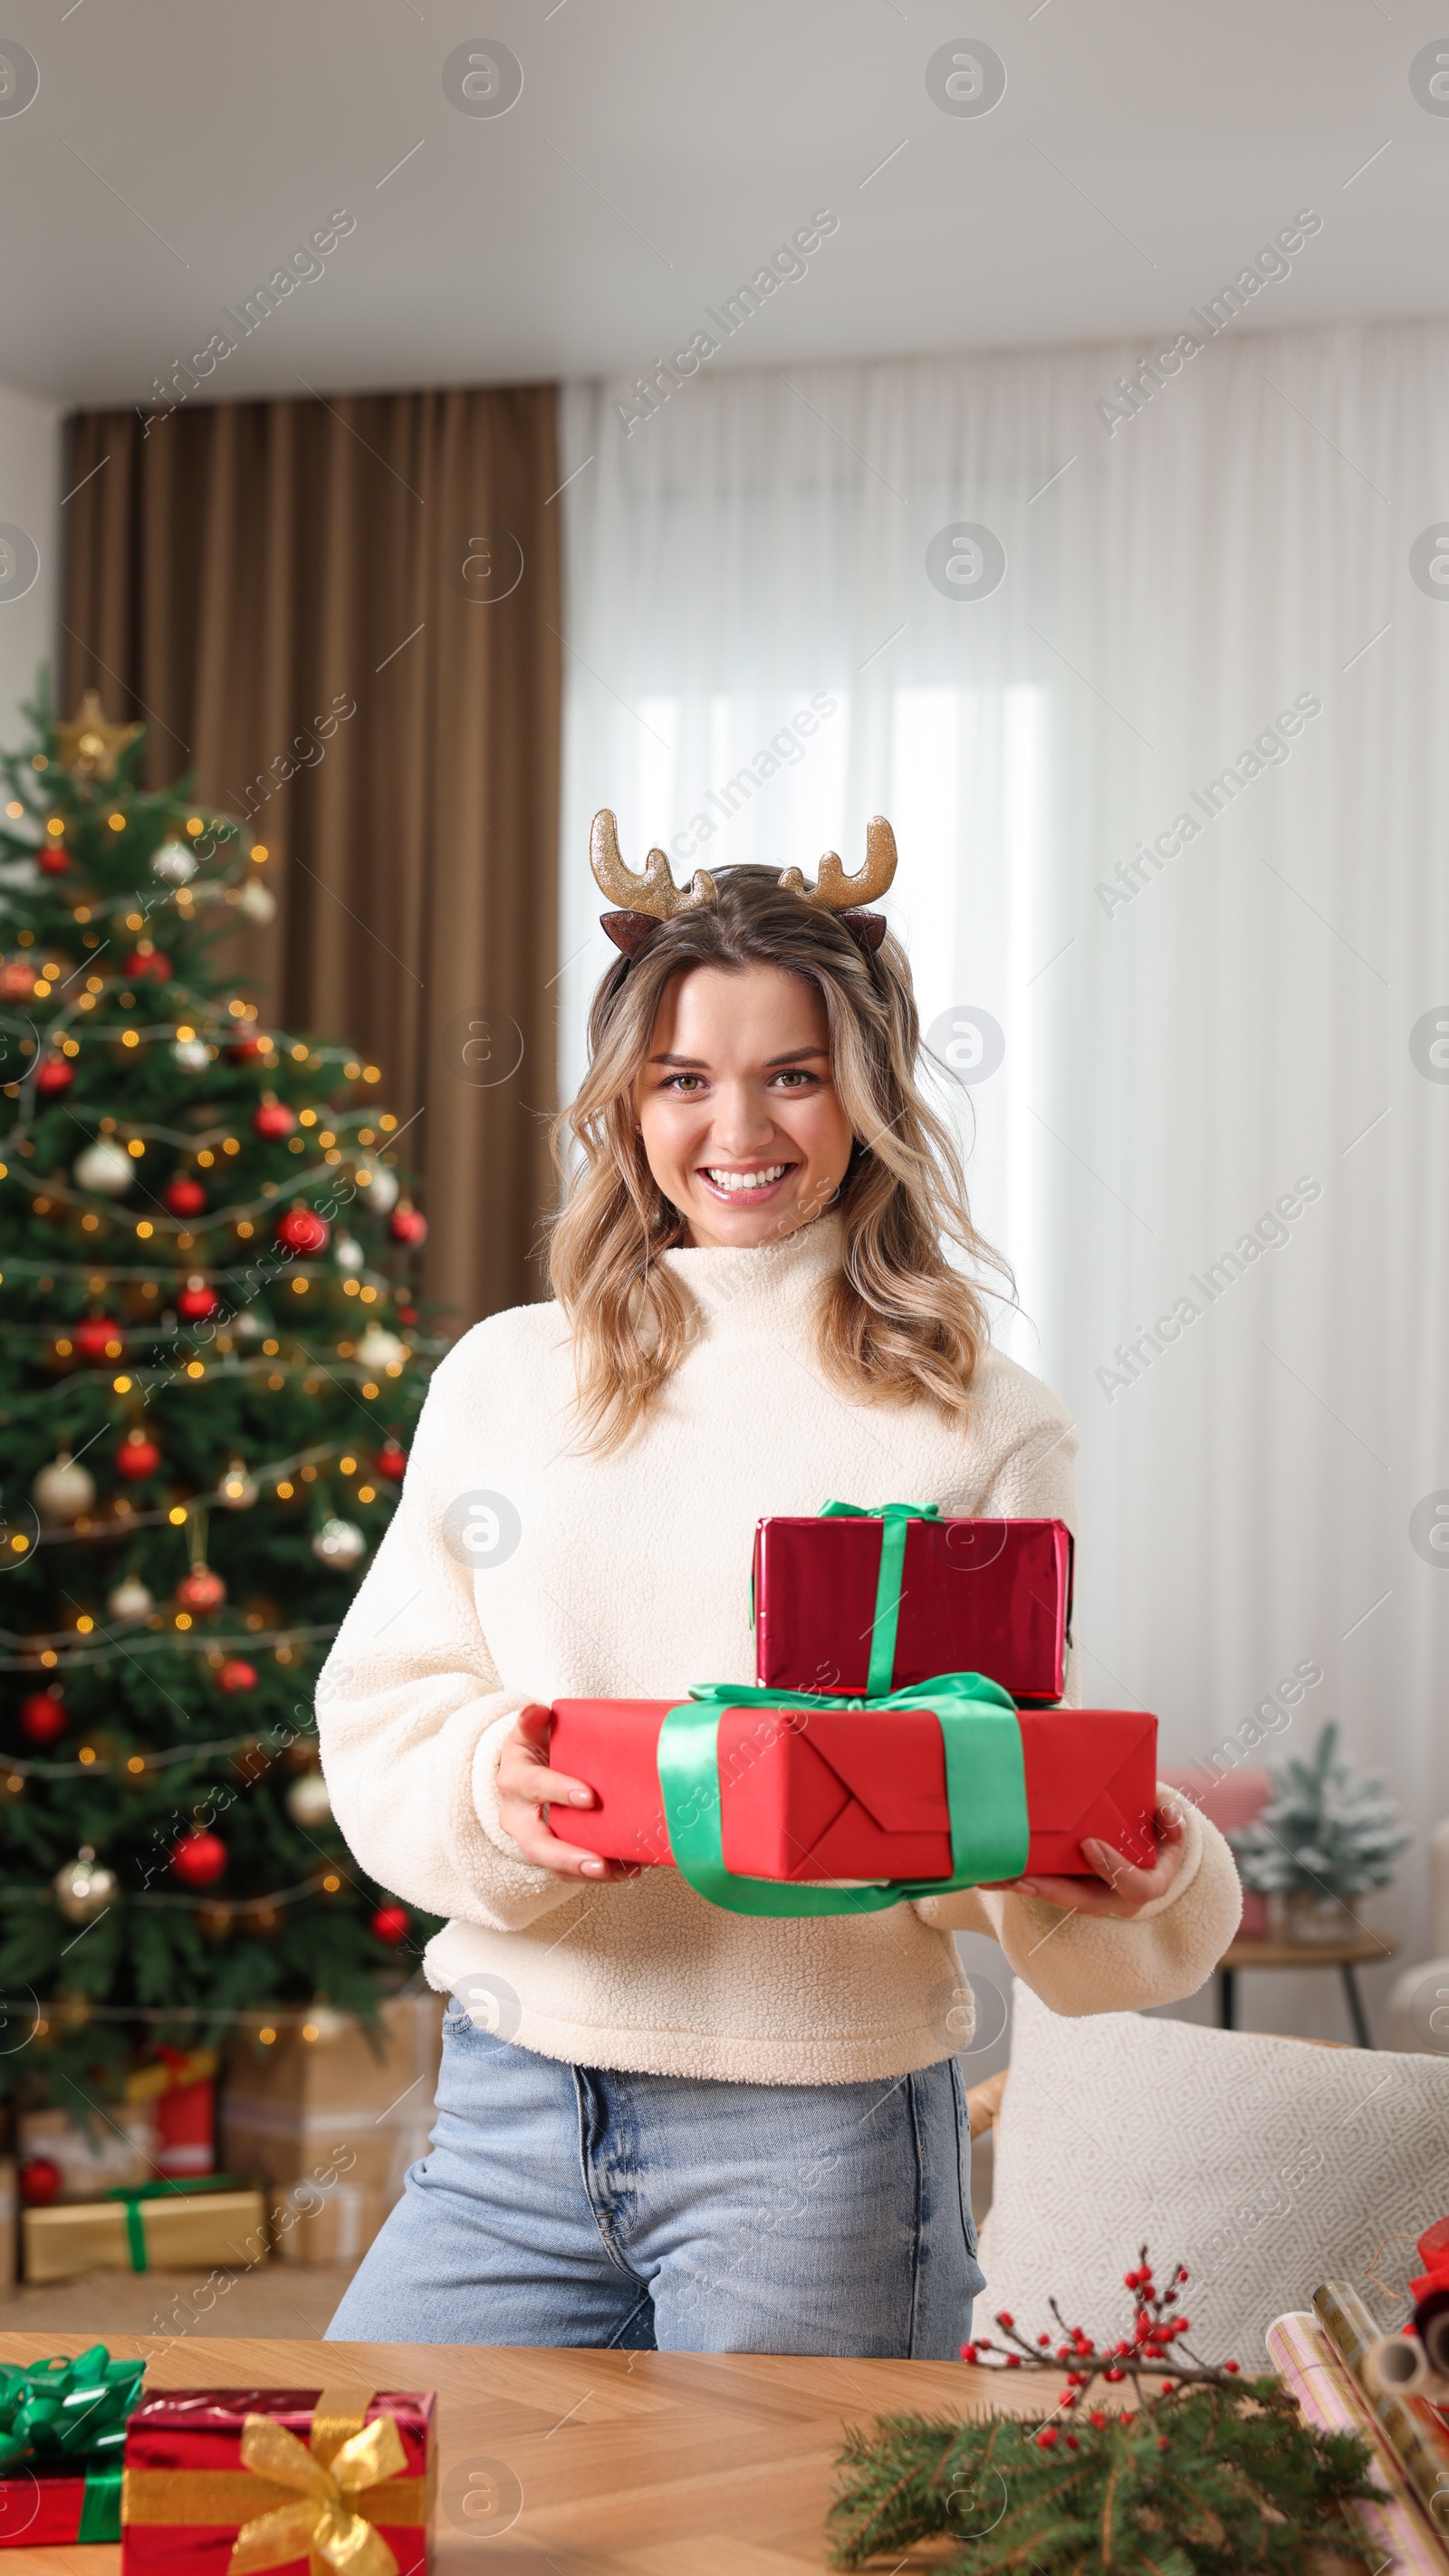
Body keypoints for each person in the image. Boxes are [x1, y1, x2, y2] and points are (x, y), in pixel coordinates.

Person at [321, 814, 1240, 2357]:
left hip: (820, 2147)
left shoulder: (978, 1415)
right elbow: (390, 1704)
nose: (734, 1126)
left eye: (791, 1074)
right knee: (354, 2496)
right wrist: (496, 1783)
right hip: (508, 2117)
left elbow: (994, 1787)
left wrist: (1125, 1862)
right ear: (626, 1102)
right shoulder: (502, 1379)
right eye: (683, 1078)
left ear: (866, 1095)